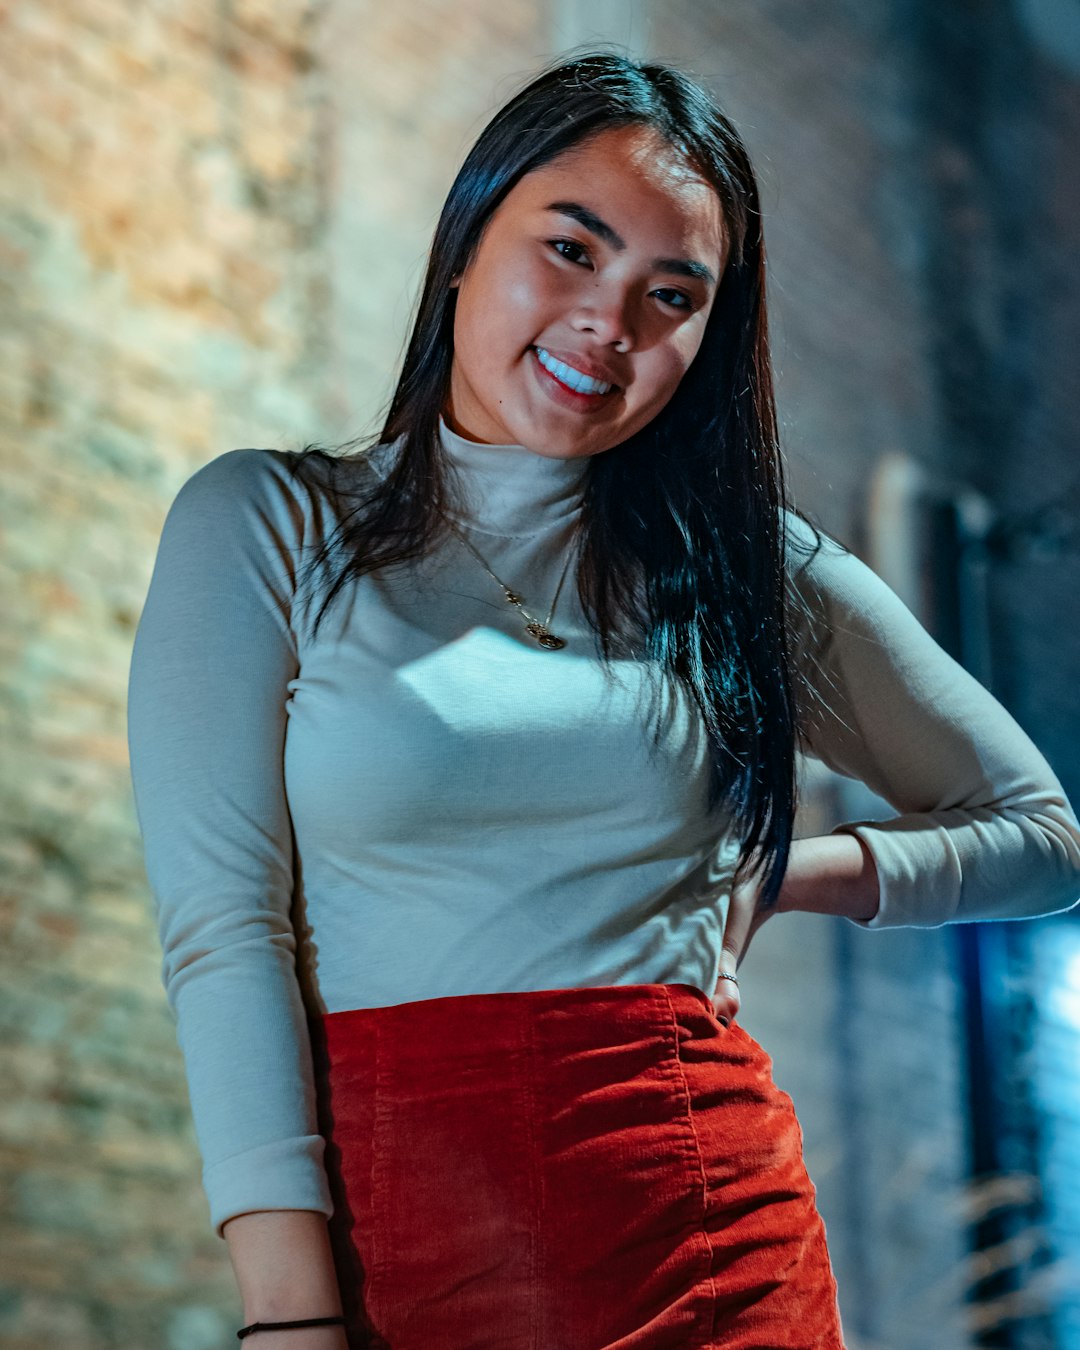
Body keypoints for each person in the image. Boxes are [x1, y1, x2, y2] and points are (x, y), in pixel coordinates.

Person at [126, 50, 1080, 1350]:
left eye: (669, 294)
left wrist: (800, 869)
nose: (607, 323)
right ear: (468, 238)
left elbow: (1046, 838)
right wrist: (287, 1315)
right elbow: (222, 934)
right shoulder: (268, 525)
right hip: (404, 1234)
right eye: (571, 250)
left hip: (714, 1242)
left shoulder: (750, 573)